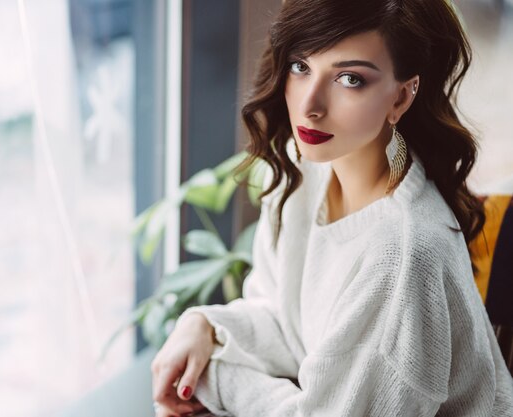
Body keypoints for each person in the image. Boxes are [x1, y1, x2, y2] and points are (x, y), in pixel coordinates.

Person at [151, 0, 513, 415]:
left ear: (401, 96)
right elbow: (287, 324)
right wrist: (206, 327)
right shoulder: (304, 170)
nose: (309, 106)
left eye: (349, 78)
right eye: (301, 66)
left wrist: (215, 377)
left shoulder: (402, 256)